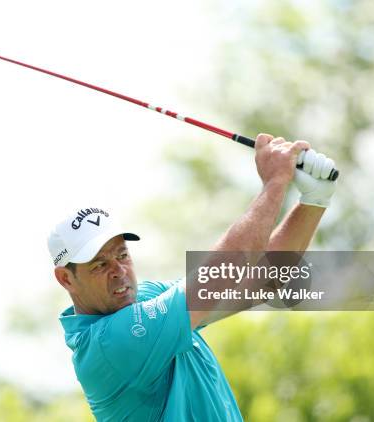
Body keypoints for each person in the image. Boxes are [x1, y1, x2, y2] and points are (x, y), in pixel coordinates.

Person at [48, 134, 337, 421]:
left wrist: (314, 201)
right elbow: (224, 270)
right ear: (66, 279)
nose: (119, 271)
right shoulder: (107, 345)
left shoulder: (146, 299)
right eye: (99, 264)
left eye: (122, 255)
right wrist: (275, 183)